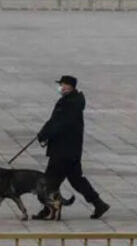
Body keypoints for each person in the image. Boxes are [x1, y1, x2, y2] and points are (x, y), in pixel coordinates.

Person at [34, 75, 110, 220]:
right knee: (76, 180)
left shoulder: (69, 104)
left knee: (49, 181)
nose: (61, 87)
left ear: (70, 86)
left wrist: (44, 134)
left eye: (63, 84)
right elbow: (56, 122)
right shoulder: (72, 101)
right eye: (60, 84)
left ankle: (47, 209)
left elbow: (58, 124)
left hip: (62, 151)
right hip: (71, 151)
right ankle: (98, 203)